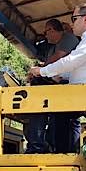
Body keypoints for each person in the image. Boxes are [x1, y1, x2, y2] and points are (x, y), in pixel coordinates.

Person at [28, 4, 86, 152]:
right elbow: (81, 67)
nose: (71, 23)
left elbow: (71, 61)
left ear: (85, 18)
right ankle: (64, 151)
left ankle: (59, 153)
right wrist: (60, 75)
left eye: (74, 19)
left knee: (59, 109)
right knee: (61, 112)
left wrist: (42, 71)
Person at [26, 19, 80, 153]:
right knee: (57, 119)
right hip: (59, 85)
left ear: (53, 30)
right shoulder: (53, 47)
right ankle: (48, 146)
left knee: (41, 102)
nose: (45, 36)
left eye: (46, 32)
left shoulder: (68, 38)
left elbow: (58, 57)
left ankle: (37, 146)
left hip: (68, 84)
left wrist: (40, 70)